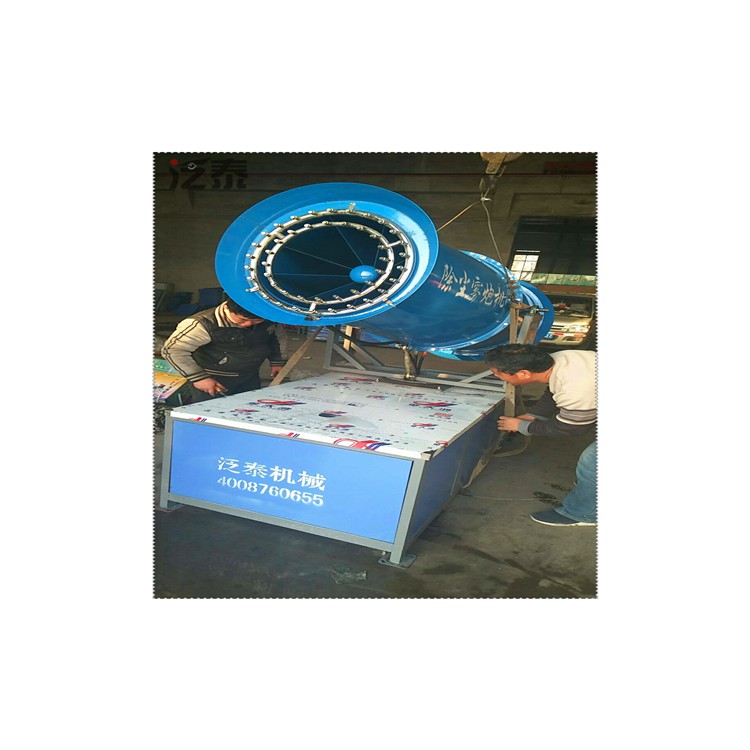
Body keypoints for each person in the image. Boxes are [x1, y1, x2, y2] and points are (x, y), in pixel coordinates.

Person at [484, 343, 596, 527]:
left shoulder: (575, 388)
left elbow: (571, 428)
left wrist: (524, 426)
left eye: (497, 372)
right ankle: (591, 489)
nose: (495, 375)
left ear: (524, 373)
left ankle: (584, 513)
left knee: (592, 464)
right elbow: (553, 389)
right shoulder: (560, 360)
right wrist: (534, 415)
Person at [162, 296, 288, 403]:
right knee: (208, 415)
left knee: (246, 410)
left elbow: (276, 338)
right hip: (212, 381)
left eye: (255, 321)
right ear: (227, 308)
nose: (248, 324)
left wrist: (277, 361)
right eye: (242, 320)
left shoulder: (268, 319)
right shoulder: (203, 323)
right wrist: (199, 378)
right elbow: (174, 350)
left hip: (249, 377)